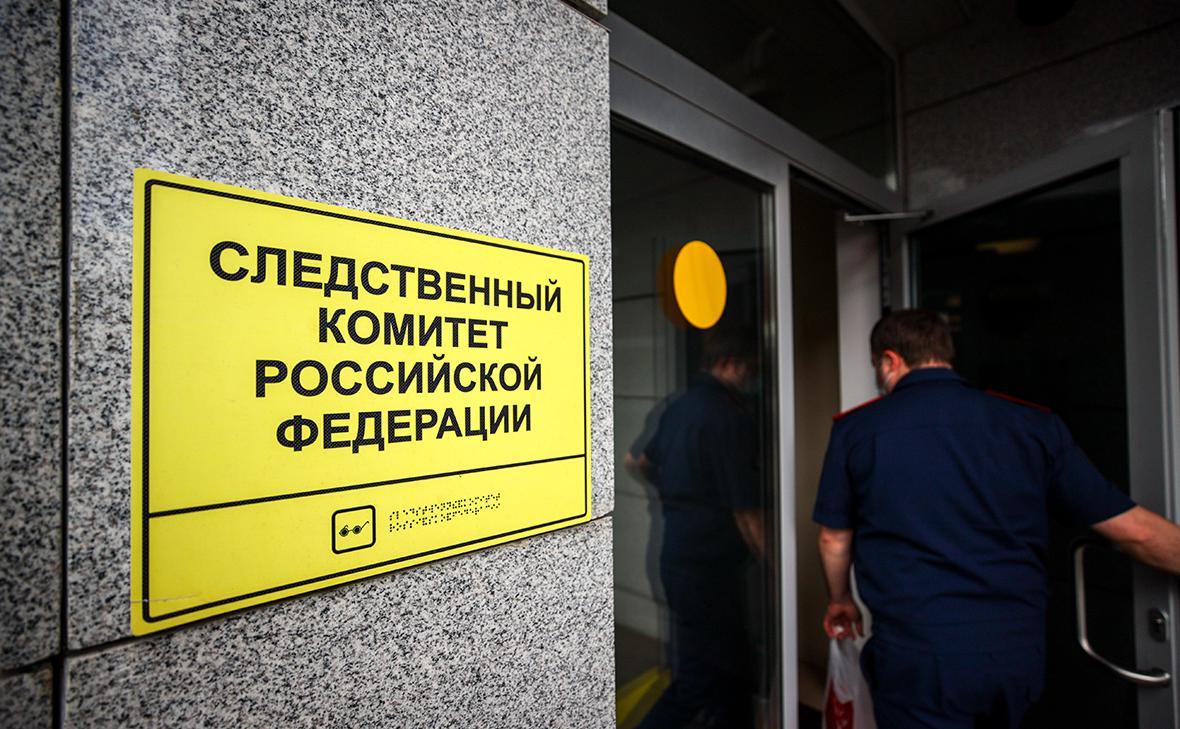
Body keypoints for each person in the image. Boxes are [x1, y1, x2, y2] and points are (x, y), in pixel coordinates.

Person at [813, 309, 1180, 729]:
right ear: (945, 355)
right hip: (1015, 651)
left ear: (890, 360)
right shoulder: (1032, 424)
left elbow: (833, 539)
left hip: (920, 653)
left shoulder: (857, 430)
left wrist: (840, 600)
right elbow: (1134, 530)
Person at [627, 328, 765, 729]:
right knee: (700, 681)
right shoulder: (728, 416)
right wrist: (778, 568)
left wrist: (674, 491)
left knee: (731, 671)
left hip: (679, 558)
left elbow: (636, 460)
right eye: (750, 369)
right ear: (729, 364)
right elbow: (746, 512)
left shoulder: (678, 406)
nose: (753, 378)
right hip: (708, 570)